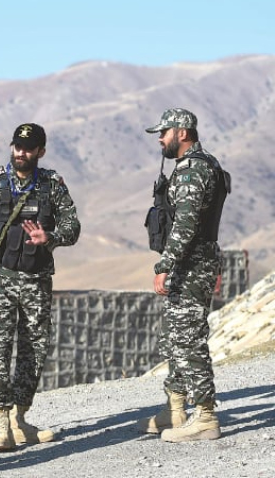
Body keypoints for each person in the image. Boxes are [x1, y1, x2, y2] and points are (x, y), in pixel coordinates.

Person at [0, 123, 80, 452]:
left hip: (37, 280)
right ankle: (2, 426)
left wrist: (50, 237)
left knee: (34, 351)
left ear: (41, 151)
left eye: (28, 148)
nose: (21, 153)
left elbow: (73, 227)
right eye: (17, 146)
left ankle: (20, 419)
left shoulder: (52, 186)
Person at [137, 108, 230, 442]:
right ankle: (175, 409)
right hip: (189, 262)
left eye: (164, 133)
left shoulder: (194, 170)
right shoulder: (195, 165)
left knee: (189, 339)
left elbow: (186, 226)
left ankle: (205, 416)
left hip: (192, 264)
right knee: (175, 336)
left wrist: (164, 265)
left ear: (182, 133)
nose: (160, 139)